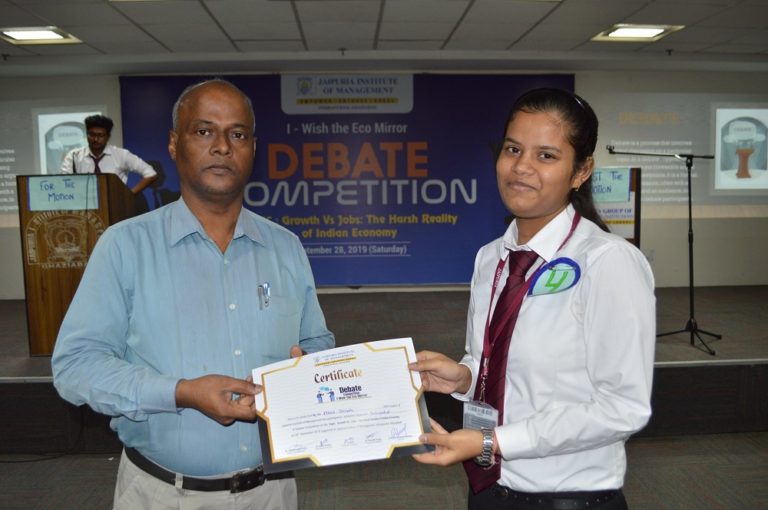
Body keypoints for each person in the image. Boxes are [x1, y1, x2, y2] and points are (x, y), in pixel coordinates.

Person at [52, 79, 335, 510]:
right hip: (163, 495)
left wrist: (306, 372)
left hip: (272, 493)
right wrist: (180, 392)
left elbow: (316, 342)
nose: (222, 146)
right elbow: (76, 367)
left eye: (237, 134)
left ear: (252, 148)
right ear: (173, 144)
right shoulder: (124, 246)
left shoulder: (286, 247)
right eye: (204, 131)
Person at [409, 88, 655, 510]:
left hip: (569, 498)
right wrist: (464, 378)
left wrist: (493, 440)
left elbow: (623, 407)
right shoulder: (491, 257)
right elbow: (495, 362)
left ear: (581, 171)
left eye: (546, 155)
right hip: (489, 490)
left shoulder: (607, 262)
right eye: (513, 149)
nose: (521, 167)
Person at [60, 114, 158, 194]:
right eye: (92, 134)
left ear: (108, 136)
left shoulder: (121, 154)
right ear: (87, 134)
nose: (95, 139)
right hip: (84, 206)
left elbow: (151, 174)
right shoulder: (74, 156)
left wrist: (130, 194)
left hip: (115, 205)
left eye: (100, 135)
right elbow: (63, 182)